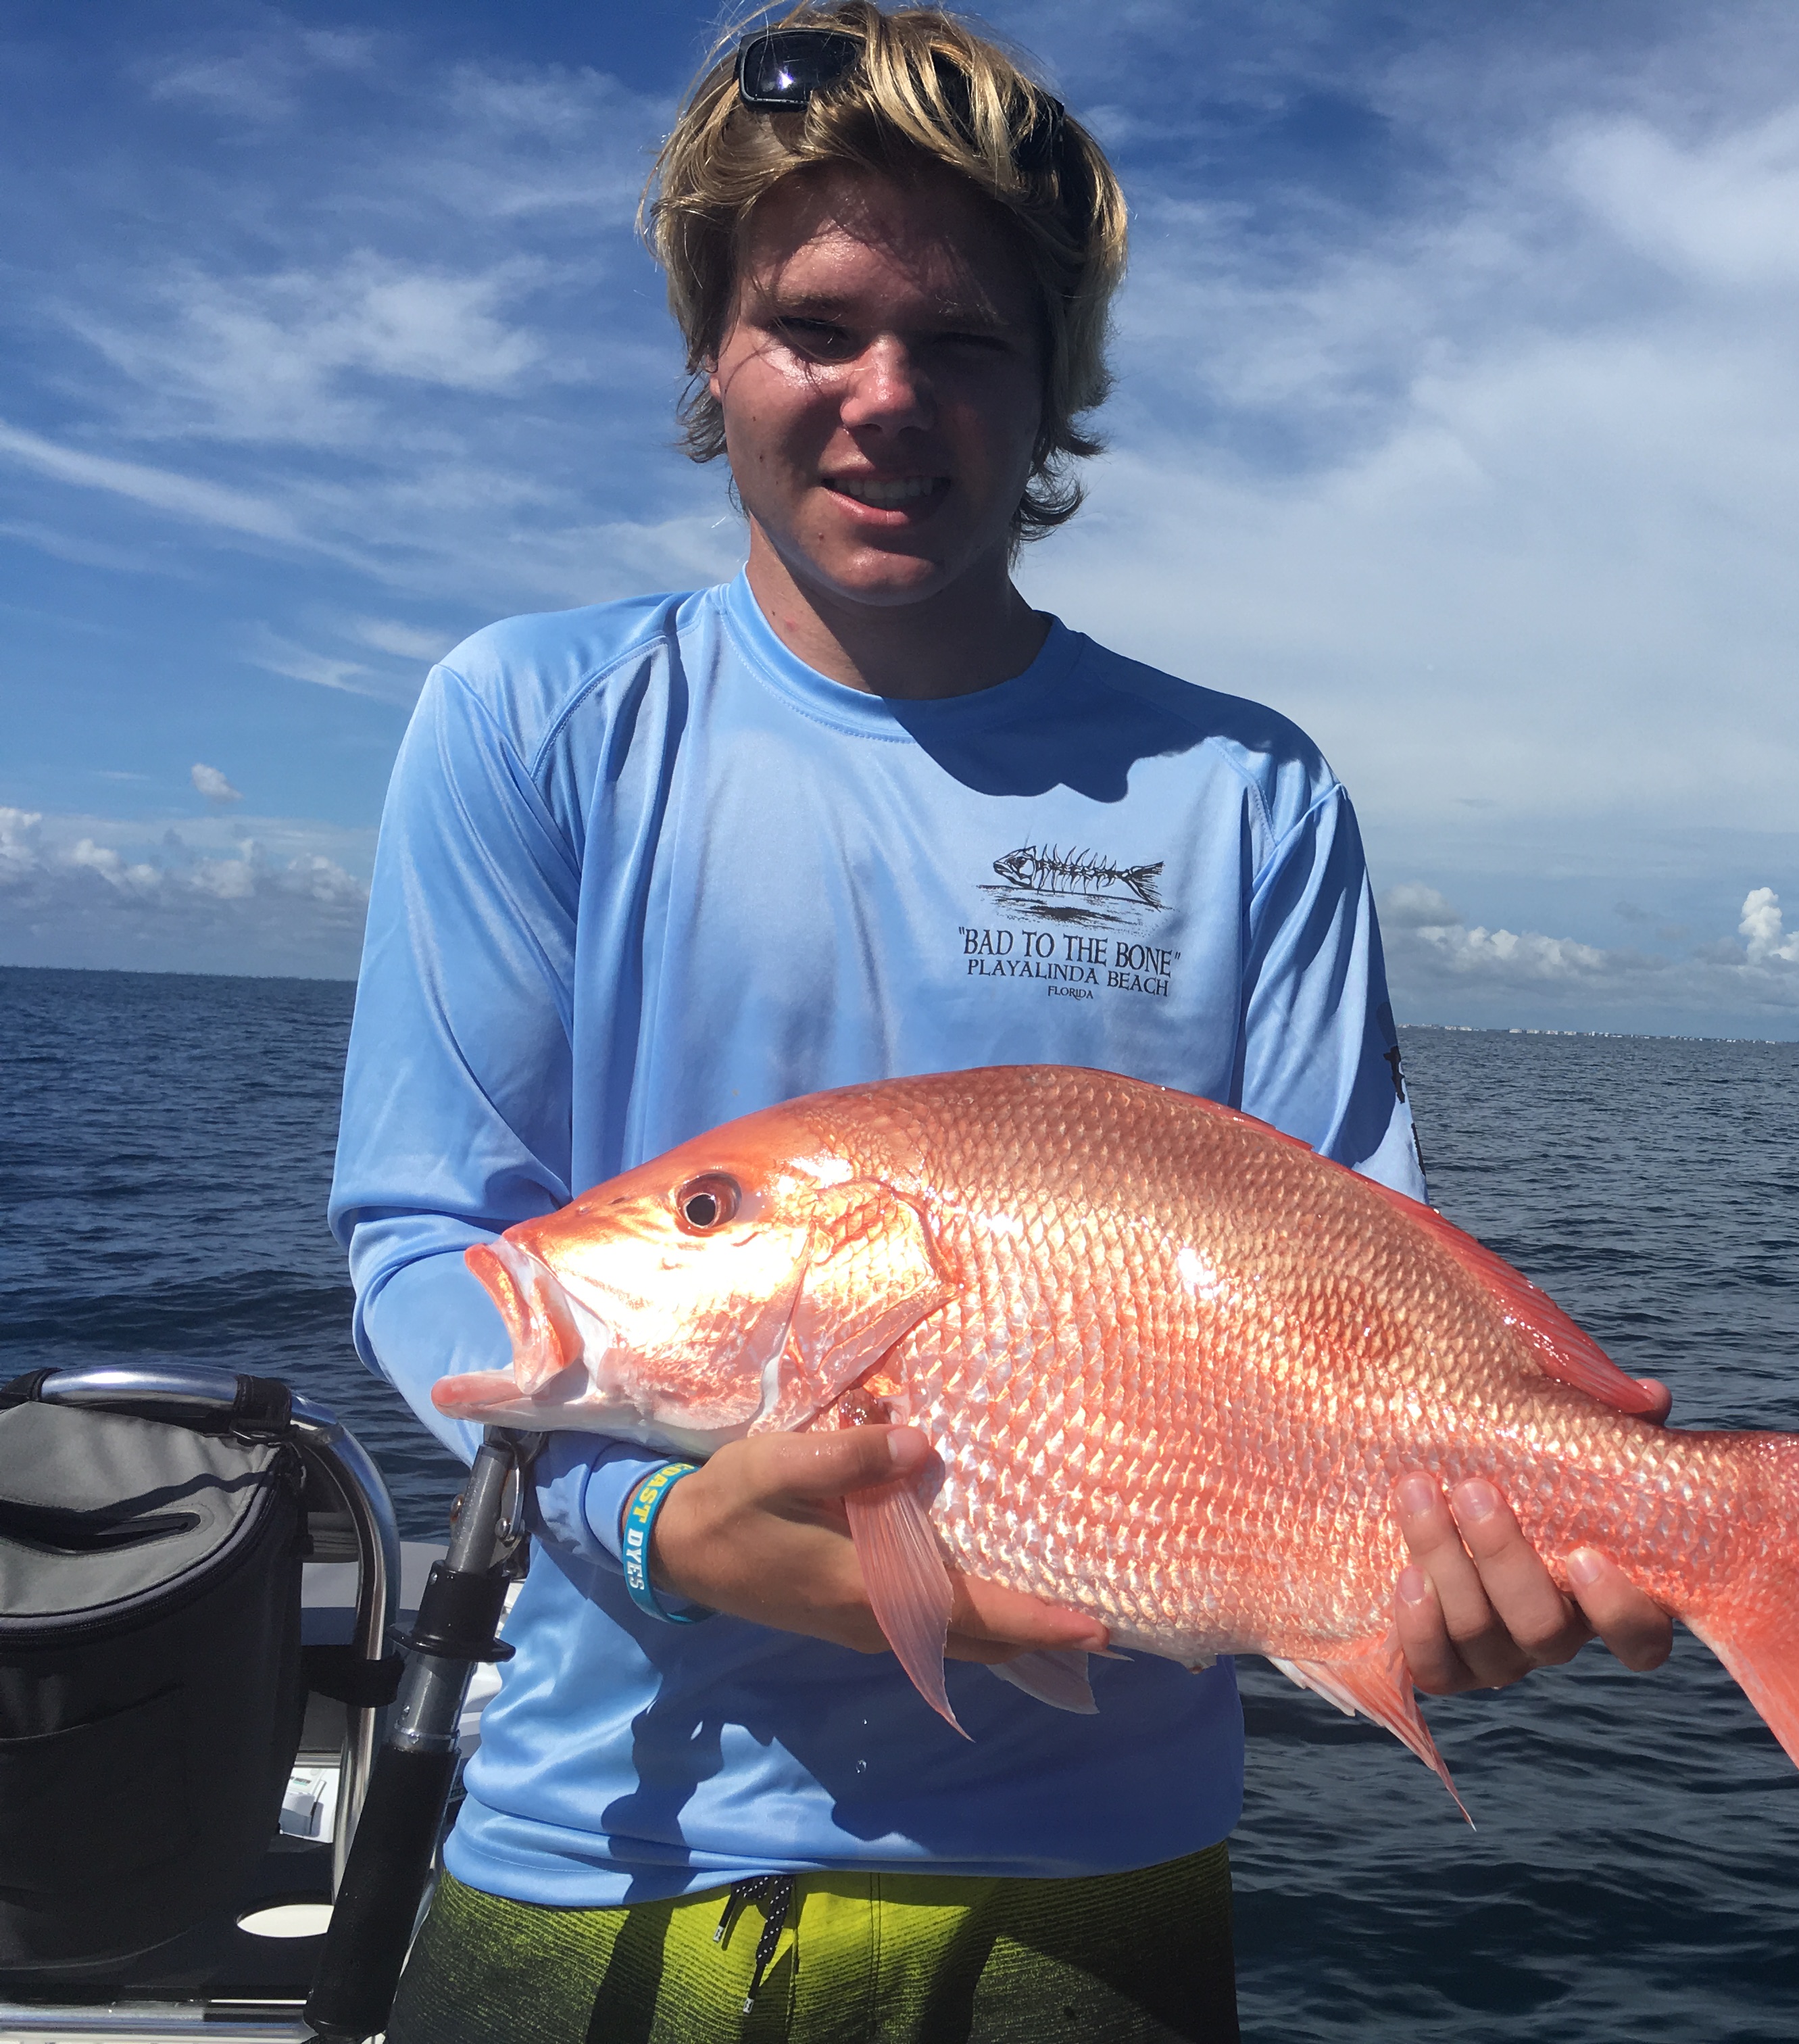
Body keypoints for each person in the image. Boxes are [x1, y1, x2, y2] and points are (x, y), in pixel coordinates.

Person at [328, 7, 1669, 2037]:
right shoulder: (535, 724)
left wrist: (1454, 1559)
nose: (887, 401)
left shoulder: (1248, 794)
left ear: (1055, 392)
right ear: (713, 346)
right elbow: (434, 1243)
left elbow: (1365, 1300)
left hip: (1090, 1893)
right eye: (817, 323)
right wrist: (664, 1522)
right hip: (605, 1847)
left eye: (963, 343)